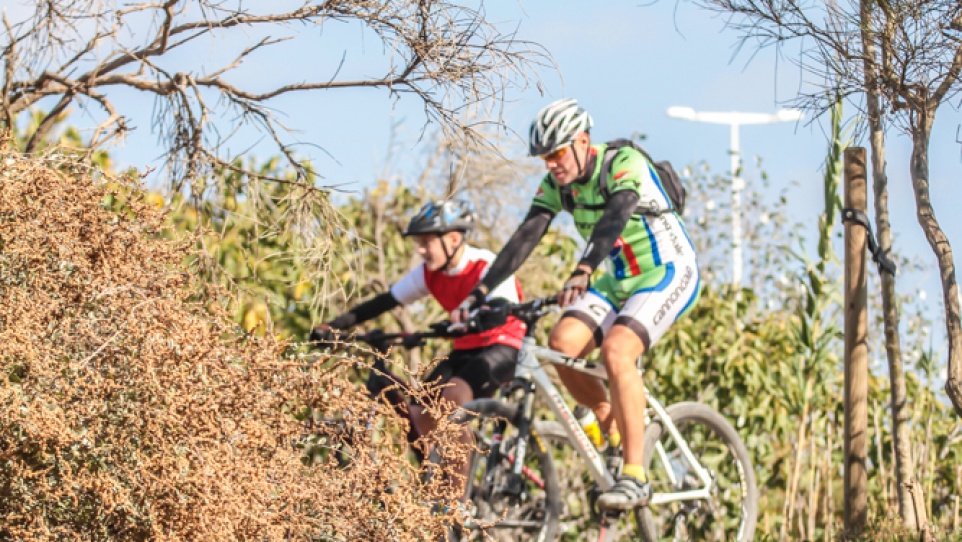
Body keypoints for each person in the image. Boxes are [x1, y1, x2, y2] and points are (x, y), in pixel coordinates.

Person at [452, 98, 701, 510]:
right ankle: (611, 423)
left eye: (556, 153)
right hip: (620, 277)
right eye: (543, 157)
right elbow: (525, 237)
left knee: (617, 350)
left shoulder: (622, 163)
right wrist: (479, 293)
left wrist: (584, 267)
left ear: (583, 141)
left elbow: (615, 217)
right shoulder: (556, 186)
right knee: (562, 345)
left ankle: (636, 475)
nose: (550, 164)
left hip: (667, 270)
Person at [310, 199, 525, 484]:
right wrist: (335, 326)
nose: (421, 251)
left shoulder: (484, 265)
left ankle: (456, 504)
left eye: (426, 242)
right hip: (465, 350)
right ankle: (436, 485)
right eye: (418, 244)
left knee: (451, 399)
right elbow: (385, 301)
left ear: (453, 239)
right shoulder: (430, 273)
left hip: (502, 347)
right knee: (420, 411)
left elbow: (503, 305)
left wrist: (471, 319)